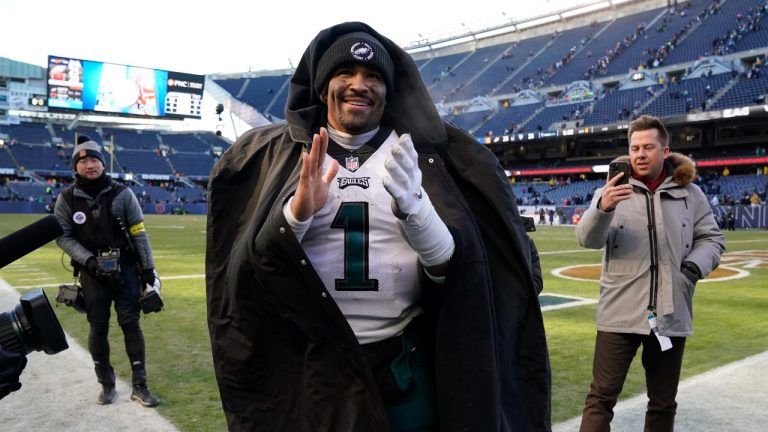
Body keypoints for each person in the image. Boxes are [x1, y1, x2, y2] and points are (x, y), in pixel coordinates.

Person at [206, 22, 551, 431]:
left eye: (373, 76)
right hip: (316, 364)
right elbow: (253, 276)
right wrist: (297, 214)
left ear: (388, 90)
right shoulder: (281, 158)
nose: (359, 84)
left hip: (402, 360)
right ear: (322, 87)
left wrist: (417, 210)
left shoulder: (418, 155)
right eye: (345, 74)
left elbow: (454, 274)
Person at [576, 115, 725, 431]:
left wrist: (691, 268)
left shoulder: (692, 194)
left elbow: (712, 239)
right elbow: (587, 240)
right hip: (619, 312)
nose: (640, 154)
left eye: (648, 147)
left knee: (662, 403)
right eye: (634, 148)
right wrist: (602, 208)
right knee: (601, 398)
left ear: (665, 150)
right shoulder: (610, 190)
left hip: (670, 312)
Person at [54, 135, 160, 407]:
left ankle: (140, 385)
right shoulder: (66, 199)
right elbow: (63, 237)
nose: (90, 165)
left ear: (102, 163)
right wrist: (89, 262)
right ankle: (106, 383)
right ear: (75, 166)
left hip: (125, 270)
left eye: (94, 160)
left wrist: (148, 270)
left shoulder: (123, 194)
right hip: (92, 274)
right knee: (97, 327)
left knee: (131, 324)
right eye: (84, 161)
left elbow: (139, 233)